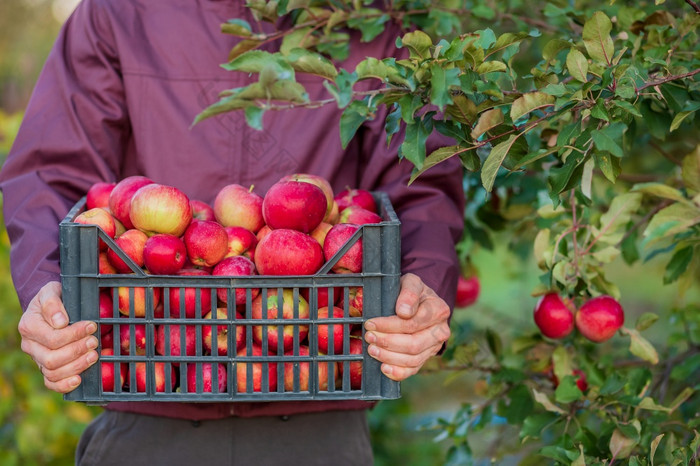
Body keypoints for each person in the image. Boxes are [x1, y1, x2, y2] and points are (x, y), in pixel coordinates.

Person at [0, 0, 464, 464]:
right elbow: (52, 170)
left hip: (316, 396)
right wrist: (48, 285)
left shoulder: (369, 16)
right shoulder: (119, 11)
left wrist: (423, 282)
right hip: (150, 389)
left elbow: (420, 181)